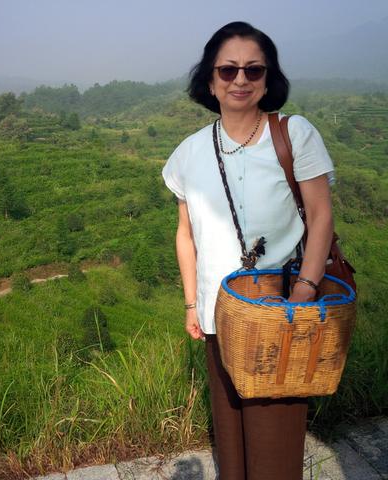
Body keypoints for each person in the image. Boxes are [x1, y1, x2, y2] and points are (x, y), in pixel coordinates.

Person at [161, 21, 335, 480]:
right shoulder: (189, 153)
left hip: (279, 311)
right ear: (210, 79)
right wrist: (191, 303)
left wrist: (304, 291)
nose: (240, 80)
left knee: (274, 448)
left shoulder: (293, 135)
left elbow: (320, 217)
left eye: (253, 70)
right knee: (231, 437)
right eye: (228, 69)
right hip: (220, 315)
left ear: (268, 78)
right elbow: (186, 233)